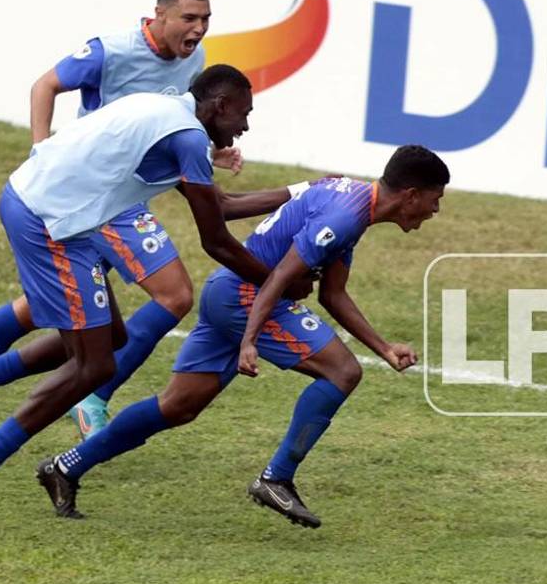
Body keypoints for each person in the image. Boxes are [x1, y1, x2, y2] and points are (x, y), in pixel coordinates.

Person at [0, 0, 276, 448]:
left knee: (59, 311)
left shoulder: (195, 63)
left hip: (121, 195)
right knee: (162, 298)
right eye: (188, 18)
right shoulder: (112, 50)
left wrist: (207, 154)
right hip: (93, 196)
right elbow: (46, 85)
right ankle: (88, 394)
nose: (199, 29)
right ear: (158, 14)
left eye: (205, 19)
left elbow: (180, 129)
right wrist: (42, 152)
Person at [0, 64, 314, 530]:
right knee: (94, 365)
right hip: (44, 221)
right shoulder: (187, 137)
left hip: (60, 219)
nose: (245, 126)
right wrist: (280, 281)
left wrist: (301, 192)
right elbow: (216, 241)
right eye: (243, 113)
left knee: (110, 340)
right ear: (218, 106)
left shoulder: (169, 110)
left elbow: (219, 203)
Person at [32, 146, 449, 528]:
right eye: (435, 200)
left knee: (178, 405)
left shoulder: (354, 202)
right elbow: (280, 278)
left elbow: (332, 294)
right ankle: (276, 479)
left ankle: (65, 467)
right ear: (411, 195)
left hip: (228, 291)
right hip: (246, 297)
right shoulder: (345, 217)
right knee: (342, 372)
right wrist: (249, 340)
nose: (435, 211)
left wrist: (384, 347)